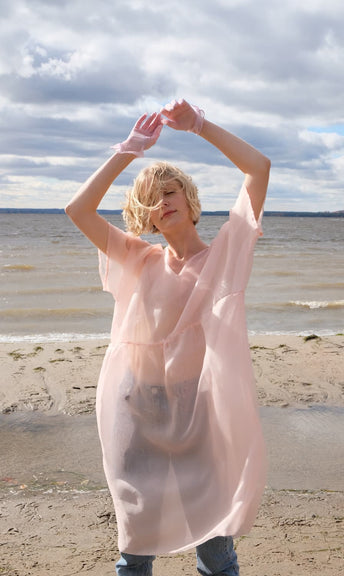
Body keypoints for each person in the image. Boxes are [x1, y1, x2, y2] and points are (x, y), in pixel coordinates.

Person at [65, 98, 271, 576]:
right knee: (134, 552)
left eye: (171, 190)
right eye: (152, 199)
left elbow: (258, 169)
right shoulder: (139, 259)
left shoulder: (223, 258)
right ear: (147, 215)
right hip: (138, 411)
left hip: (200, 411)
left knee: (216, 553)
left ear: (189, 198)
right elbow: (78, 209)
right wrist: (129, 150)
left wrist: (199, 126)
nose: (163, 201)